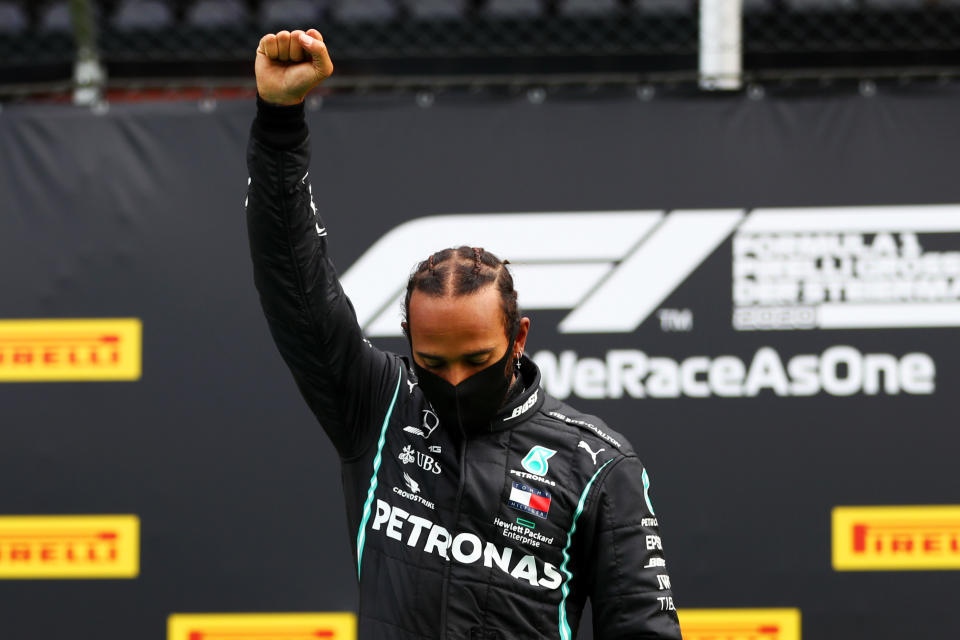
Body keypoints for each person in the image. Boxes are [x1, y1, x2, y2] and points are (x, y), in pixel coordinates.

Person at [246, 28, 683, 640]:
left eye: (477, 359)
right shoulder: (379, 407)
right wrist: (279, 123)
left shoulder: (596, 465)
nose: (454, 381)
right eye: (433, 361)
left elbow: (643, 629)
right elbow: (292, 282)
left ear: (520, 336)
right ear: (406, 338)